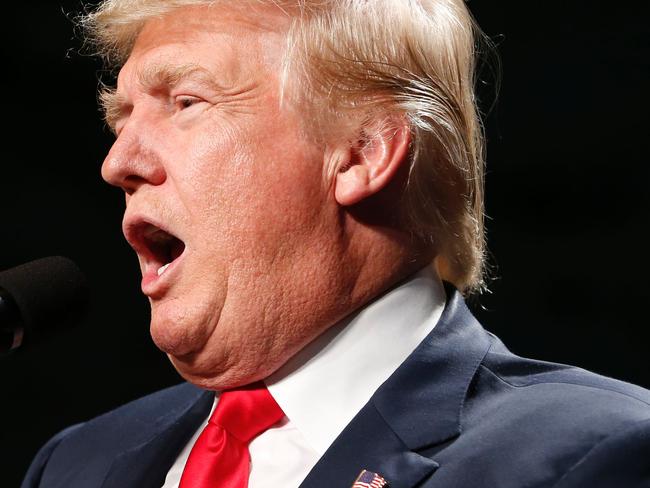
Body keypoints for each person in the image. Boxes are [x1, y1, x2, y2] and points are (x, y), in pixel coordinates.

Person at [22, 1, 650, 487]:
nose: (116, 161)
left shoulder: (593, 455)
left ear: (360, 152)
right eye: (120, 117)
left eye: (186, 102)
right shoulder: (74, 463)